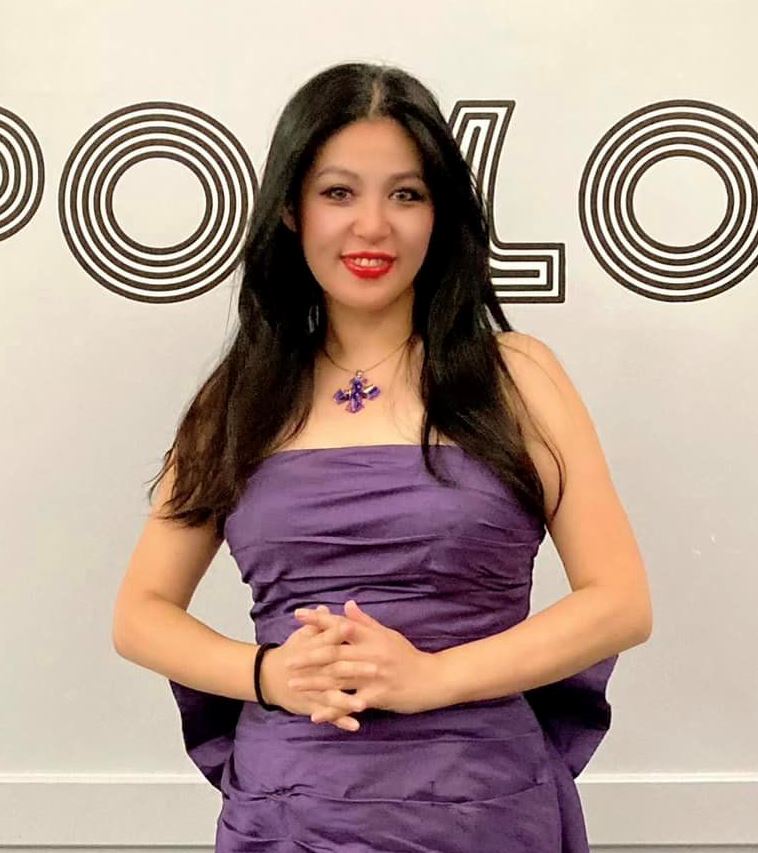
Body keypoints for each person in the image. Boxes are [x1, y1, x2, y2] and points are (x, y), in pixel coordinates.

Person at [112, 61, 652, 852]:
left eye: (406, 194)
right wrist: (267, 674)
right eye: (339, 192)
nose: (372, 225)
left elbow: (621, 602)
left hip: (480, 801)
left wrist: (433, 677)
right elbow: (140, 612)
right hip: (291, 810)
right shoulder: (240, 397)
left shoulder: (517, 376)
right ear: (291, 210)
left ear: (440, 214)